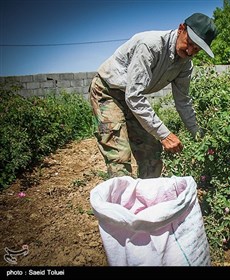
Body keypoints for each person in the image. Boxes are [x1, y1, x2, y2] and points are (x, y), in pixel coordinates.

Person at [89, 12, 218, 179]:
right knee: (119, 157)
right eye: (190, 43)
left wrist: (199, 135)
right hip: (108, 92)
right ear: (181, 29)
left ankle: (146, 201)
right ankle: (121, 202)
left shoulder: (185, 64)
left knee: (152, 154)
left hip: (131, 98)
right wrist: (164, 134)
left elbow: (183, 102)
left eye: (197, 49)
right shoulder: (150, 45)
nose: (190, 51)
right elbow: (134, 96)